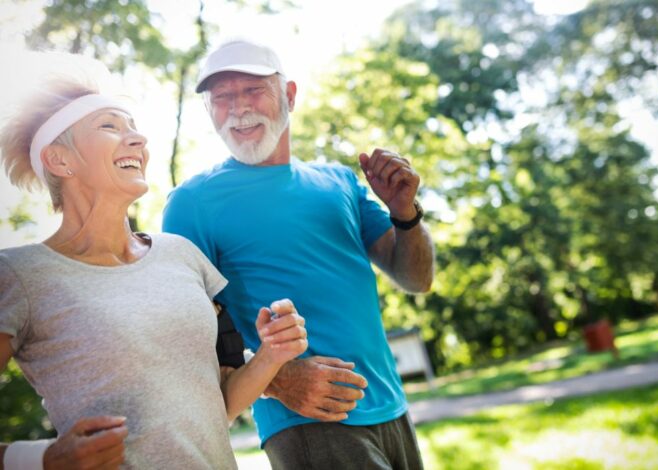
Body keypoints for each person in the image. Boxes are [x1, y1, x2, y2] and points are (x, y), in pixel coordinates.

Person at [0, 67, 308, 469]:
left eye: (134, 128)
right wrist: (45, 459)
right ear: (60, 159)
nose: (139, 139)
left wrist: (271, 355)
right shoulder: (21, 275)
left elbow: (219, 407)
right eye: (109, 126)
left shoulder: (180, 254)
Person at [162, 39, 435, 469]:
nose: (237, 108)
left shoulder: (339, 182)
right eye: (222, 98)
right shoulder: (192, 202)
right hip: (307, 419)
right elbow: (185, 332)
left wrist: (404, 213)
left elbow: (416, 279)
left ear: (289, 96)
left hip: (391, 407)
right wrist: (278, 379)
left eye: (252, 91)